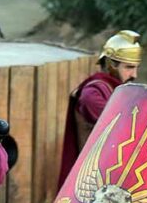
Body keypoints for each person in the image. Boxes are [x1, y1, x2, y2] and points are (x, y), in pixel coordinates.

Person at [57, 30, 141, 187]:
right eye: (129, 67)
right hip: (93, 178)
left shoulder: (118, 89)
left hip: (111, 174)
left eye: (136, 67)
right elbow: (123, 128)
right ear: (111, 65)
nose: (134, 74)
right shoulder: (94, 92)